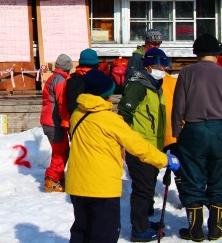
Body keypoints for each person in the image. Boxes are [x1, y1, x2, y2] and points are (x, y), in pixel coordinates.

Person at [65, 69, 180, 243]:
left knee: (82, 231)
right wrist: (164, 160)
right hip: (102, 187)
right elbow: (138, 146)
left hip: (77, 185)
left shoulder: (77, 115)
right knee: (104, 234)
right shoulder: (110, 120)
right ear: (107, 95)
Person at [172, 33, 222, 241]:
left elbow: (178, 106)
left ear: (196, 53)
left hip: (193, 130)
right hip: (220, 130)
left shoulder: (187, 73)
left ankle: (195, 229)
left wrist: (176, 133)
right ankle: (217, 227)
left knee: (193, 177)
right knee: (219, 178)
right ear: (217, 53)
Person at [118, 47, 170, 242]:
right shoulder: (138, 85)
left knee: (148, 186)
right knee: (143, 189)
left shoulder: (156, 85)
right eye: (158, 65)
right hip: (139, 147)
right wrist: (129, 142)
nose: (162, 68)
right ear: (148, 66)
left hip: (153, 146)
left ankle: (144, 223)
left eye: (164, 65)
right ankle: (139, 229)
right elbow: (124, 115)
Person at [40, 53, 73, 192]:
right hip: (54, 122)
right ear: (68, 68)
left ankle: (57, 179)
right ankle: (52, 180)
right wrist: (67, 120)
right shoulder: (60, 81)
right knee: (62, 152)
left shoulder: (53, 78)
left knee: (59, 151)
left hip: (48, 120)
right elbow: (62, 103)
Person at [65, 48, 100, 115]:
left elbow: (64, 102)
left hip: (74, 119)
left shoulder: (71, 79)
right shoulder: (101, 80)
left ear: (80, 62)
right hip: (95, 120)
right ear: (96, 63)